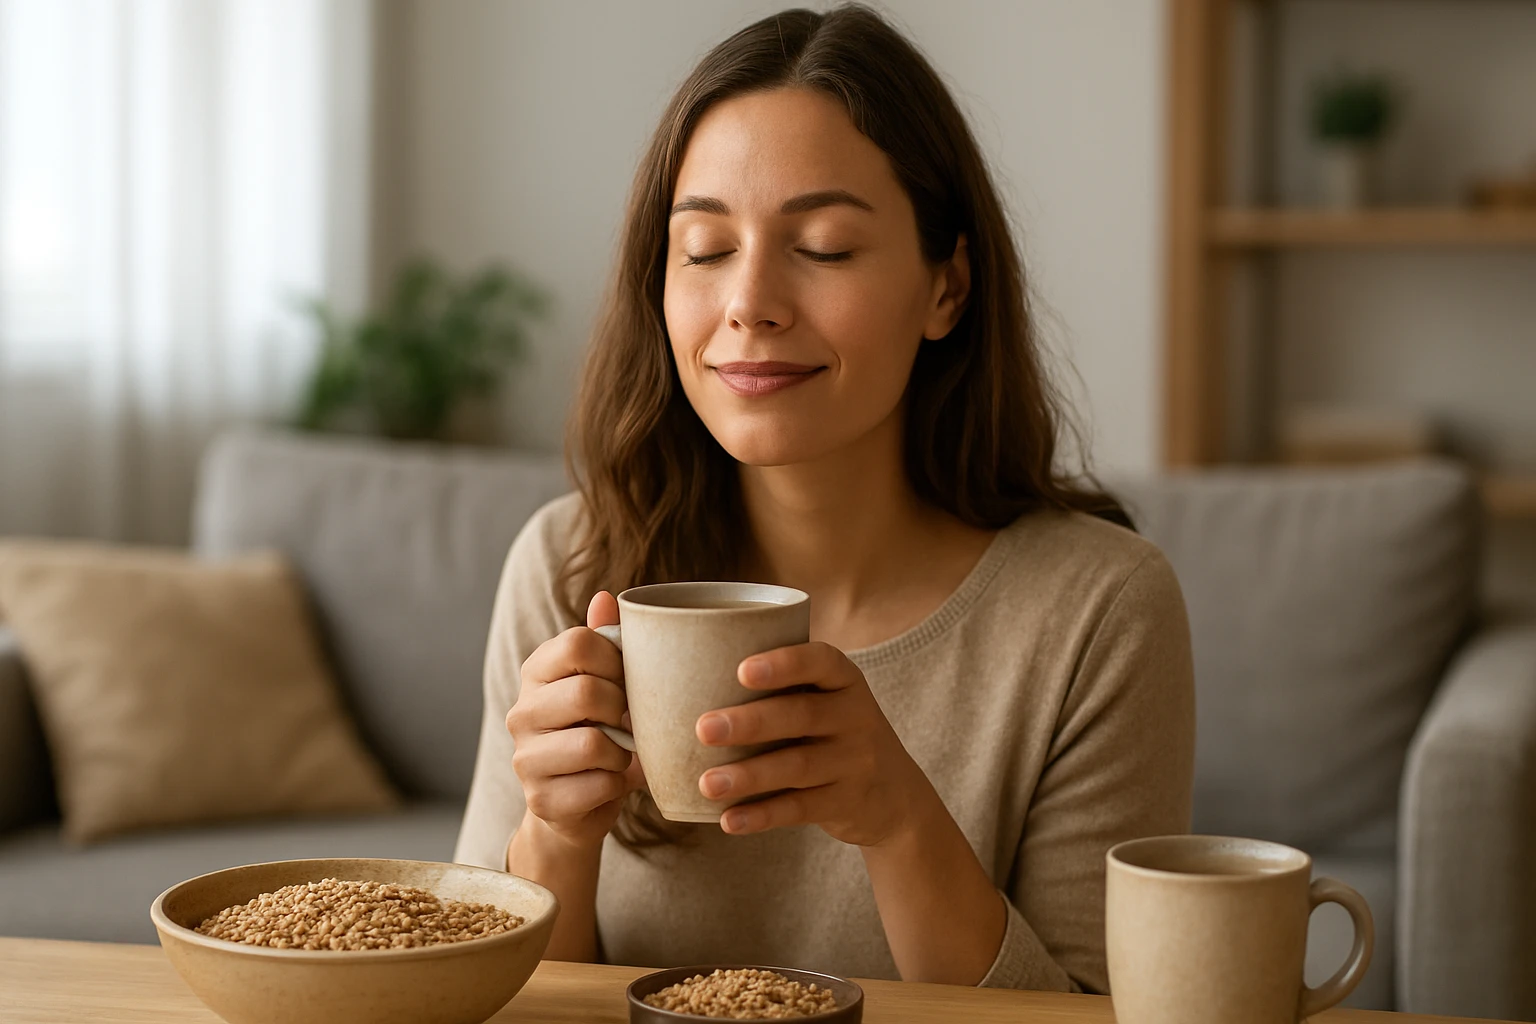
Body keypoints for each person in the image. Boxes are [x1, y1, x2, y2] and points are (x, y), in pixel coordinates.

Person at [454, 4, 1194, 994]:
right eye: (705, 249)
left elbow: (1094, 1017)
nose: (749, 301)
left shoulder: (1097, 611)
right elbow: (473, 999)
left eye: (827, 246)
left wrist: (897, 820)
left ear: (948, 288)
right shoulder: (568, 567)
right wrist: (551, 837)